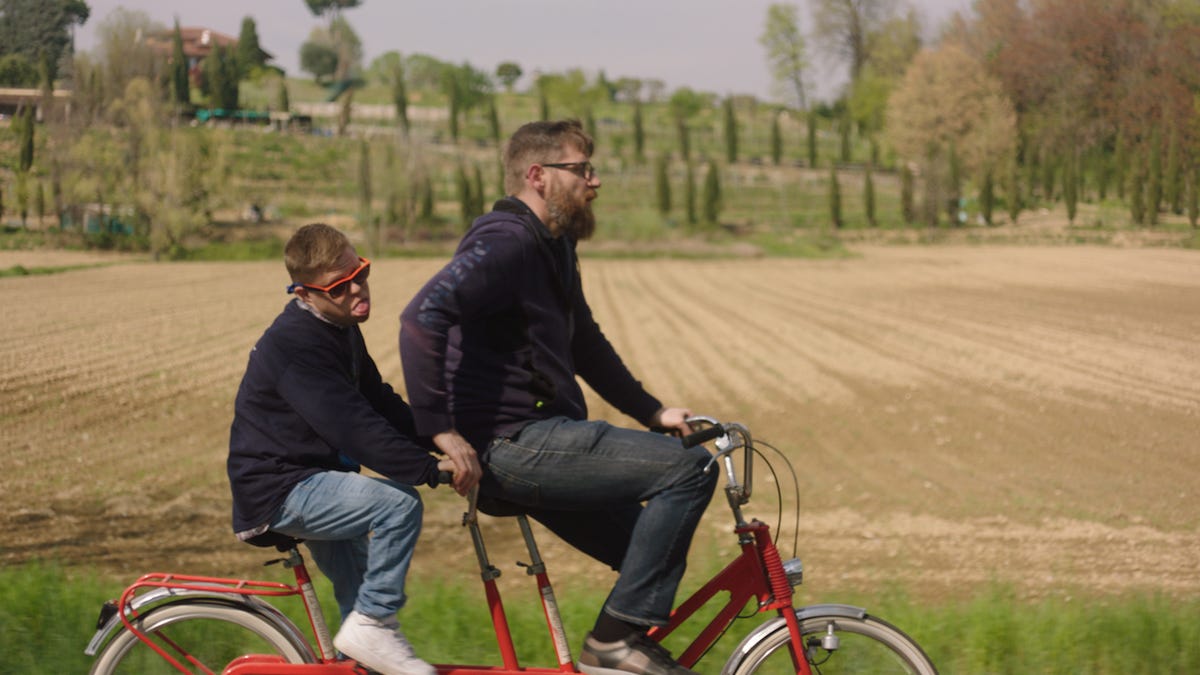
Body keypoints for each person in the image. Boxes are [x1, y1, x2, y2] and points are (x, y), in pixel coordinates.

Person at [399, 120, 717, 675]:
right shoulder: (506, 241)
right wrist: (440, 429)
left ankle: (614, 649)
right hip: (511, 442)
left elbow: (584, 343)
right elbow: (421, 317)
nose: (595, 182)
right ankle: (611, 649)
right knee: (690, 470)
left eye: (593, 169)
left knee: (647, 557)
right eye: (581, 170)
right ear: (538, 176)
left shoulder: (554, 245)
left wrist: (653, 412)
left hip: (542, 437)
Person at [228, 223, 451, 675]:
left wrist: (443, 435)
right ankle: (374, 623)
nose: (357, 288)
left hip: (318, 479)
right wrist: (428, 469)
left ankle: (366, 643)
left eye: (361, 272)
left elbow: (379, 402)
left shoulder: (340, 327)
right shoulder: (296, 344)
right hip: (280, 488)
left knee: (359, 605)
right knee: (397, 505)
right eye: (339, 285)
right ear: (305, 293)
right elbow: (354, 427)